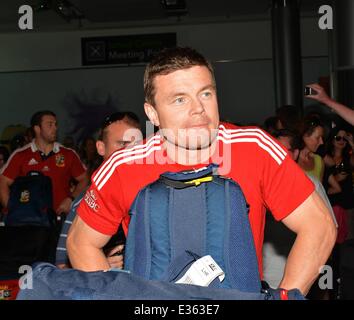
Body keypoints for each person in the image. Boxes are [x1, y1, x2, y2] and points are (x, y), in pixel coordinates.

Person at [67, 47, 336, 296]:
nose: (198, 109)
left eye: (206, 93)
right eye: (179, 99)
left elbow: (319, 226)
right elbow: (81, 243)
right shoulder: (124, 167)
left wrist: (286, 296)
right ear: (153, 114)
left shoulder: (254, 148)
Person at [56, 111, 143, 269]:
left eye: (137, 145)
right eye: (122, 144)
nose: (131, 153)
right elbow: (61, 269)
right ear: (101, 148)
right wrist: (99, 264)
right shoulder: (87, 201)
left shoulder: (153, 194)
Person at [263, 129, 338, 291]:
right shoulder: (257, 183)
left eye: (282, 150)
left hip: (301, 280)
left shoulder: (310, 184)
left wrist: (320, 276)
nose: (275, 155)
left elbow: (329, 229)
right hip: (263, 278)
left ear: (295, 153)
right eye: (272, 149)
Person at [0, 110, 88, 215]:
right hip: (28, 221)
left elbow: (85, 179)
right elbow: (3, 182)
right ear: (37, 129)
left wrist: (71, 199)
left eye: (55, 124)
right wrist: (13, 210)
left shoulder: (68, 154)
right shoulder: (21, 155)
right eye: (50, 125)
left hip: (59, 218)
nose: (55, 128)